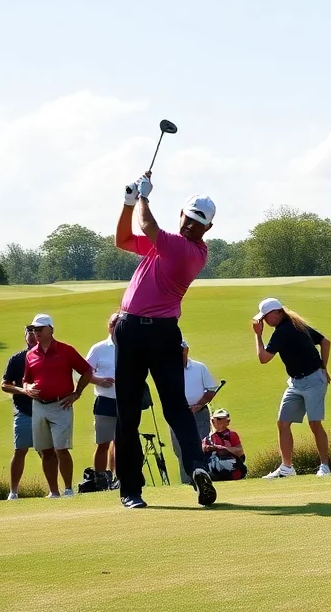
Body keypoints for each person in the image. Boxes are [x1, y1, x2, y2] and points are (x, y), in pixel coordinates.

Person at [113, 172, 218, 508]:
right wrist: (128, 203)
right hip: (140, 331)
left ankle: (132, 489)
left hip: (150, 333)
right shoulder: (168, 245)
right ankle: (195, 468)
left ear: (207, 229)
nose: (191, 225)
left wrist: (143, 197)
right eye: (189, 218)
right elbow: (123, 240)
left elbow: (146, 226)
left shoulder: (184, 249)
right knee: (142, 410)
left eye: (198, 222)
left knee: (153, 409)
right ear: (182, 216)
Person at [252, 298, 331, 478]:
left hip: (313, 382)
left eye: (266, 317)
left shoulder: (285, 330)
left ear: (277, 313)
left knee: (314, 423)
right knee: (283, 423)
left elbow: (263, 358)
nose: (264, 321)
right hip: (296, 383)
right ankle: (287, 468)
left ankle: (325, 466)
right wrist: (324, 367)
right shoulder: (296, 324)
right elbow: (325, 342)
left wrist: (257, 335)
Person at [19, 313, 94, 498]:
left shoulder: (66, 350)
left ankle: (68, 489)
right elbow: (26, 380)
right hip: (39, 406)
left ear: (50, 330)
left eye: (39, 329)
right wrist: (28, 389)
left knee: (61, 448)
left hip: (61, 404)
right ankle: (53, 492)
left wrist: (77, 394)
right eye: (33, 329)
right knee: (45, 450)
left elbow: (86, 371)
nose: (35, 332)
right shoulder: (30, 354)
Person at [170, 339, 217, 486]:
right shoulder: (168, 369)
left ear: (186, 351)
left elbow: (211, 389)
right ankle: (187, 481)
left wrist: (199, 404)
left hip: (199, 413)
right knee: (180, 449)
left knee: (200, 446)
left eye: (181, 351)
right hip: (177, 414)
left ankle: (203, 479)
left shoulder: (199, 367)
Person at [0, 327, 38, 499]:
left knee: (48, 452)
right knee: (20, 450)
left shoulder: (49, 356)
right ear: (25, 338)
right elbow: (4, 384)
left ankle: (57, 490)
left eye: (35, 333)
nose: (32, 336)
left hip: (46, 409)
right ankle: (13, 492)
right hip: (23, 411)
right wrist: (22, 390)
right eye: (28, 333)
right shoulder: (17, 359)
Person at [85, 313, 120, 490]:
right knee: (103, 443)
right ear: (109, 326)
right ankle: (100, 479)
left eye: (119, 323)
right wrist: (99, 380)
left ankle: (119, 478)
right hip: (105, 401)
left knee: (121, 441)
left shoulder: (131, 346)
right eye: (114, 323)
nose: (116, 326)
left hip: (125, 402)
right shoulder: (99, 349)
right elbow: (82, 373)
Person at [201, 408, 247, 481]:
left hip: (231, 470)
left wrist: (221, 448)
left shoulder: (231, 435)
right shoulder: (207, 439)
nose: (221, 422)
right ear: (213, 421)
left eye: (224, 419)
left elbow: (240, 451)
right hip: (214, 470)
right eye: (218, 419)